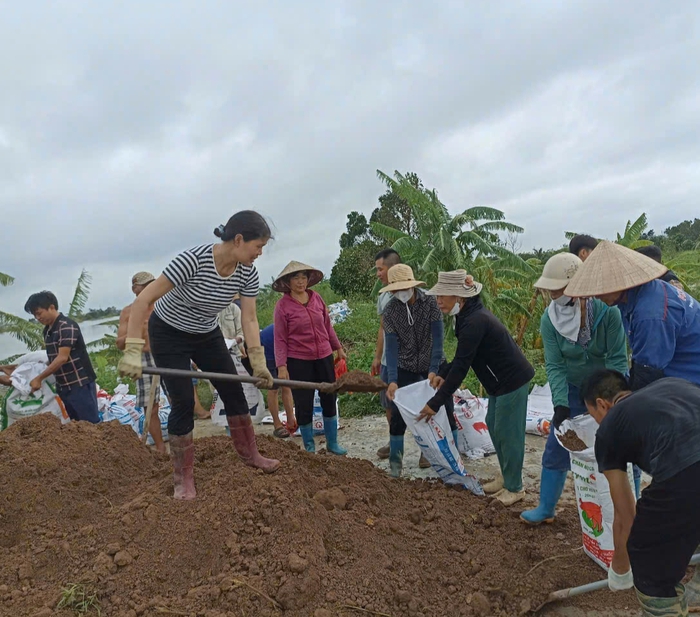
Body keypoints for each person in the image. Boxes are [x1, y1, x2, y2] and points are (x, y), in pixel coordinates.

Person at [118, 211, 279, 501]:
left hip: (206, 333)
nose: (259, 253)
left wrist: (258, 361)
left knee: (233, 390)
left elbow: (250, 319)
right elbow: (144, 300)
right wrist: (131, 349)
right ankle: (183, 478)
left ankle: (250, 454)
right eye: (258, 246)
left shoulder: (246, 273)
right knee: (181, 401)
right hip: (168, 333)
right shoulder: (192, 260)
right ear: (239, 239)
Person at [520, 253, 629, 525]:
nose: (553, 295)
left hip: (607, 391)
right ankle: (546, 507)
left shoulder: (608, 314)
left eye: (558, 289)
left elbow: (617, 358)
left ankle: (628, 508)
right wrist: (560, 404)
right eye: (551, 290)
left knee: (620, 446)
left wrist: (615, 401)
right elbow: (555, 365)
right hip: (572, 389)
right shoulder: (550, 320)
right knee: (558, 445)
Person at [580, 370, 700, 615]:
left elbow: (626, 517)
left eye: (594, 416)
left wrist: (620, 569)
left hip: (688, 470)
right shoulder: (672, 383)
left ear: (602, 405)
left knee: (650, 560)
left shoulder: (609, 429)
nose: (598, 424)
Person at [418, 270, 535, 506]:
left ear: (460, 297)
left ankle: (515, 488)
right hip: (498, 383)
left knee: (507, 434)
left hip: (512, 380)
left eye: (443, 295)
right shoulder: (465, 318)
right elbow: (462, 357)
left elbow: (462, 366)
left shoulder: (475, 321)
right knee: (494, 427)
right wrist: (442, 374)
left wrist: (435, 402)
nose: (438, 300)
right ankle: (506, 476)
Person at [565, 240, 700, 391]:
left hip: (692, 381)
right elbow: (640, 361)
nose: (596, 296)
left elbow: (648, 374)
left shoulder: (649, 314)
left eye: (601, 288)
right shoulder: (631, 299)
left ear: (618, 282)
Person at [380, 264, 452, 478]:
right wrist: (392, 380)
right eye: (396, 289)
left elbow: (438, 340)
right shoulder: (390, 311)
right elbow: (391, 349)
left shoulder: (430, 302)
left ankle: (435, 455)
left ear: (412, 286)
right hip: (406, 365)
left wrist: (432, 369)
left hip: (434, 363)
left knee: (444, 408)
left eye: (404, 288)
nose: (400, 292)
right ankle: (395, 463)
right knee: (398, 414)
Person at [273, 261, 347, 454]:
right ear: (288, 282)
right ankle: (309, 448)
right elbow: (279, 339)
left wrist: (338, 347)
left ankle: (332, 443)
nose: (300, 282)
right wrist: (282, 365)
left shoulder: (317, 299)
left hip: (323, 355)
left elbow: (327, 326)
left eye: (303, 277)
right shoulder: (282, 307)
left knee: (329, 397)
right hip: (298, 361)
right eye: (296, 278)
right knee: (303, 403)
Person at [371, 249, 428, 466]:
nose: (378, 273)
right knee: (390, 404)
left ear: (393, 268)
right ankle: (395, 443)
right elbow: (382, 328)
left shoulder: (422, 296)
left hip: (414, 363)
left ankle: (425, 448)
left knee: (419, 404)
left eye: (380, 269)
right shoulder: (384, 296)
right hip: (389, 361)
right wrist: (378, 357)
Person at [24, 291, 100, 423]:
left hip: (79, 383)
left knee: (90, 423)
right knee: (76, 423)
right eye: (35, 315)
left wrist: (39, 378)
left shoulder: (66, 326)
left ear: (51, 307)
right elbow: (54, 357)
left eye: (39, 313)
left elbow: (62, 358)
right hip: (64, 385)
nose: (37, 318)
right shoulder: (48, 330)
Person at [116, 271, 166, 453]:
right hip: (144, 358)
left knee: (180, 398)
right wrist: (135, 335)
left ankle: (182, 441)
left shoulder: (164, 305)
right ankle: (161, 448)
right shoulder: (128, 312)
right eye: (143, 286)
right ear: (134, 289)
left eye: (150, 284)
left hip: (167, 354)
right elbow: (120, 342)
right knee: (150, 406)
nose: (148, 289)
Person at [260, 323, 297, 438]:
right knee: (274, 387)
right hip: (267, 348)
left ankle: (291, 420)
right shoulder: (293, 329)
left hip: (281, 348)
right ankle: (277, 425)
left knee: (286, 384)